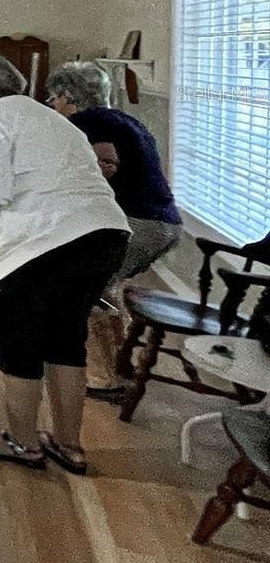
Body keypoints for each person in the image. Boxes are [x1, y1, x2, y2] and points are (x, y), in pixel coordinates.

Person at [0, 52, 129, 475]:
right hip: (105, 236)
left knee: (18, 346)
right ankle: (69, 444)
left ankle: (22, 442)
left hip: (43, 245)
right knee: (65, 341)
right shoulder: (53, 118)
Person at [45, 61, 183, 402]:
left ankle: (106, 379)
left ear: (70, 97)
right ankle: (118, 364)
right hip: (163, 224)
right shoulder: (121, 120)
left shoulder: (84, 126)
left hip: (139, 224)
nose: (52, 103)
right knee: (103, 285)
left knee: (83, 288)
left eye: (56, 97)